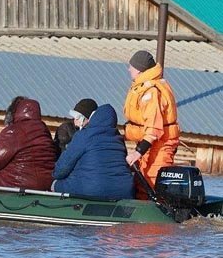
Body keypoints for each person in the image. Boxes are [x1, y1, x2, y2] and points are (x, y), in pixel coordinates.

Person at [124, 50, 180, 200]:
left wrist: (138, 152)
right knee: (140, 182)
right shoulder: (143, 86)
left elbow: (154, 128)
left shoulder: (151, 92)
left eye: (131, 66)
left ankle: (157, 221)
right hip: (148, 144)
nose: (129, 69)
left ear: (140, 69)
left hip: (159, 144)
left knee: (152, 183)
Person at [52, 104, 135, 200]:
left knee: (55, 185)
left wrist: (55, 175)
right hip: (124, 189)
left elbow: (61, 169)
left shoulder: (84, 135)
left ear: (94, 118)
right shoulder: (118, 139)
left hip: (92, 188)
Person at [0, 96, 57, 190]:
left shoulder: (14, 131)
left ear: (16, 112)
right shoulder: (44, 130)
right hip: (45, 184)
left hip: (18, 182)